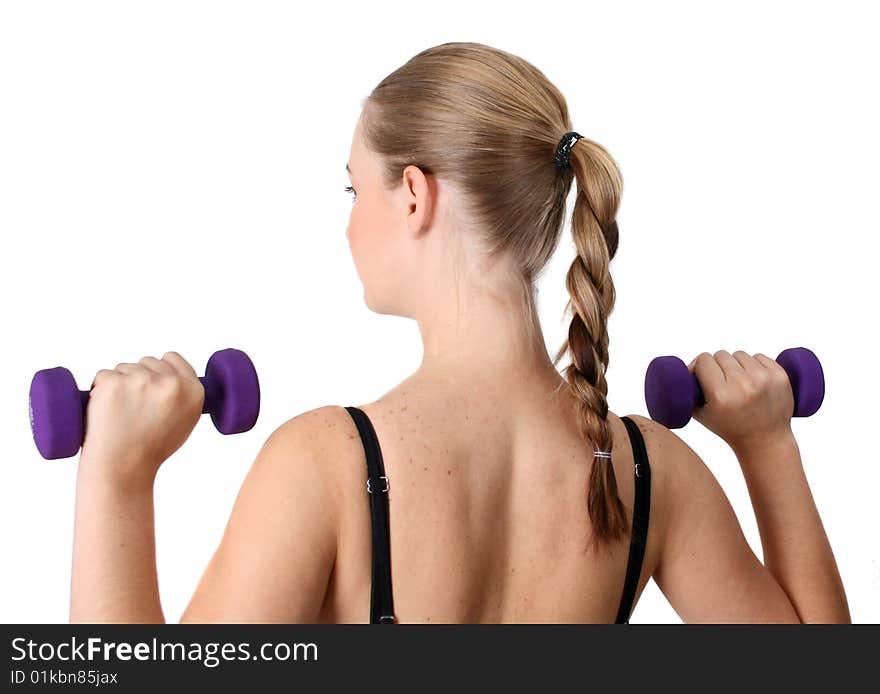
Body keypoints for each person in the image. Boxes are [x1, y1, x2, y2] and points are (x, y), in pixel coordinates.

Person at [69, 42, 850, 624]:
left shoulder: (325, 467)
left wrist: (117, 476)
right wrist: (767, 444)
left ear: (413, 195)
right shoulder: (647, 473)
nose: (347, 227)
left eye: (352, 187)